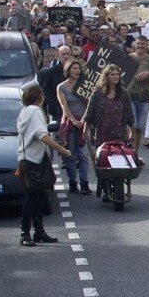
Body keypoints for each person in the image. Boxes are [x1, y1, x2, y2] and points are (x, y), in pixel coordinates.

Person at [16, 84, 72, 247]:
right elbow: (43, 136)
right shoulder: (35, 112)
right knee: (32, 198)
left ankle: (38, 231)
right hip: (34, 160)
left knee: (39, 196)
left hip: (27, 159)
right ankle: (25, 233)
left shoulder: (24, 112)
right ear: (39, 96)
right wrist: (63, 150)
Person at [55, 58, 91, 195]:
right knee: (70, 154)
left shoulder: (84, 85)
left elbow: (88, 104)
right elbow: (64, 106)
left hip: (83, 121)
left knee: (83, 155)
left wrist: (83, 120)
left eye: (78, 68)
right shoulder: (62, 87)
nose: (77, 71)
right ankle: (72, 181)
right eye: (74, 68)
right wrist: (73, 120)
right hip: (70, 123)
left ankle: (84, 182)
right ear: (68, 70)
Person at [82, 64, 135, 156]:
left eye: (117, 74)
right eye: (112, 74)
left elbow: (129, 115)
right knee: (104, 160)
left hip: (120, 132)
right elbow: (89, 113)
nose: (115, 77)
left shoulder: (124, 93)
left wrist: (132, 133)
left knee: (119, 160)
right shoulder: (98, 93)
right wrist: (85, 131)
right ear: (107, 76)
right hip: (102, 132)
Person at [127, 38, 149, 151]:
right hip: (129, 96)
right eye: (138, 44)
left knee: (139, 127)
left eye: (143, 44)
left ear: (147, 46)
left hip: (144, 97)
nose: (140, 46)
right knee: (130, 124)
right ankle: (128, 151)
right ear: (134, 45)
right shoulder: (128, 58)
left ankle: (135, 153)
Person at [37, 45, 72, 121]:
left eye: (68, 54)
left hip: (73, 108)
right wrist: (54, 106)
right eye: (63, 54)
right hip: (57, 110)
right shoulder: (51, 72)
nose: (66, 56)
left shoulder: (76, 71)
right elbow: (47, 91)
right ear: (58, 55)